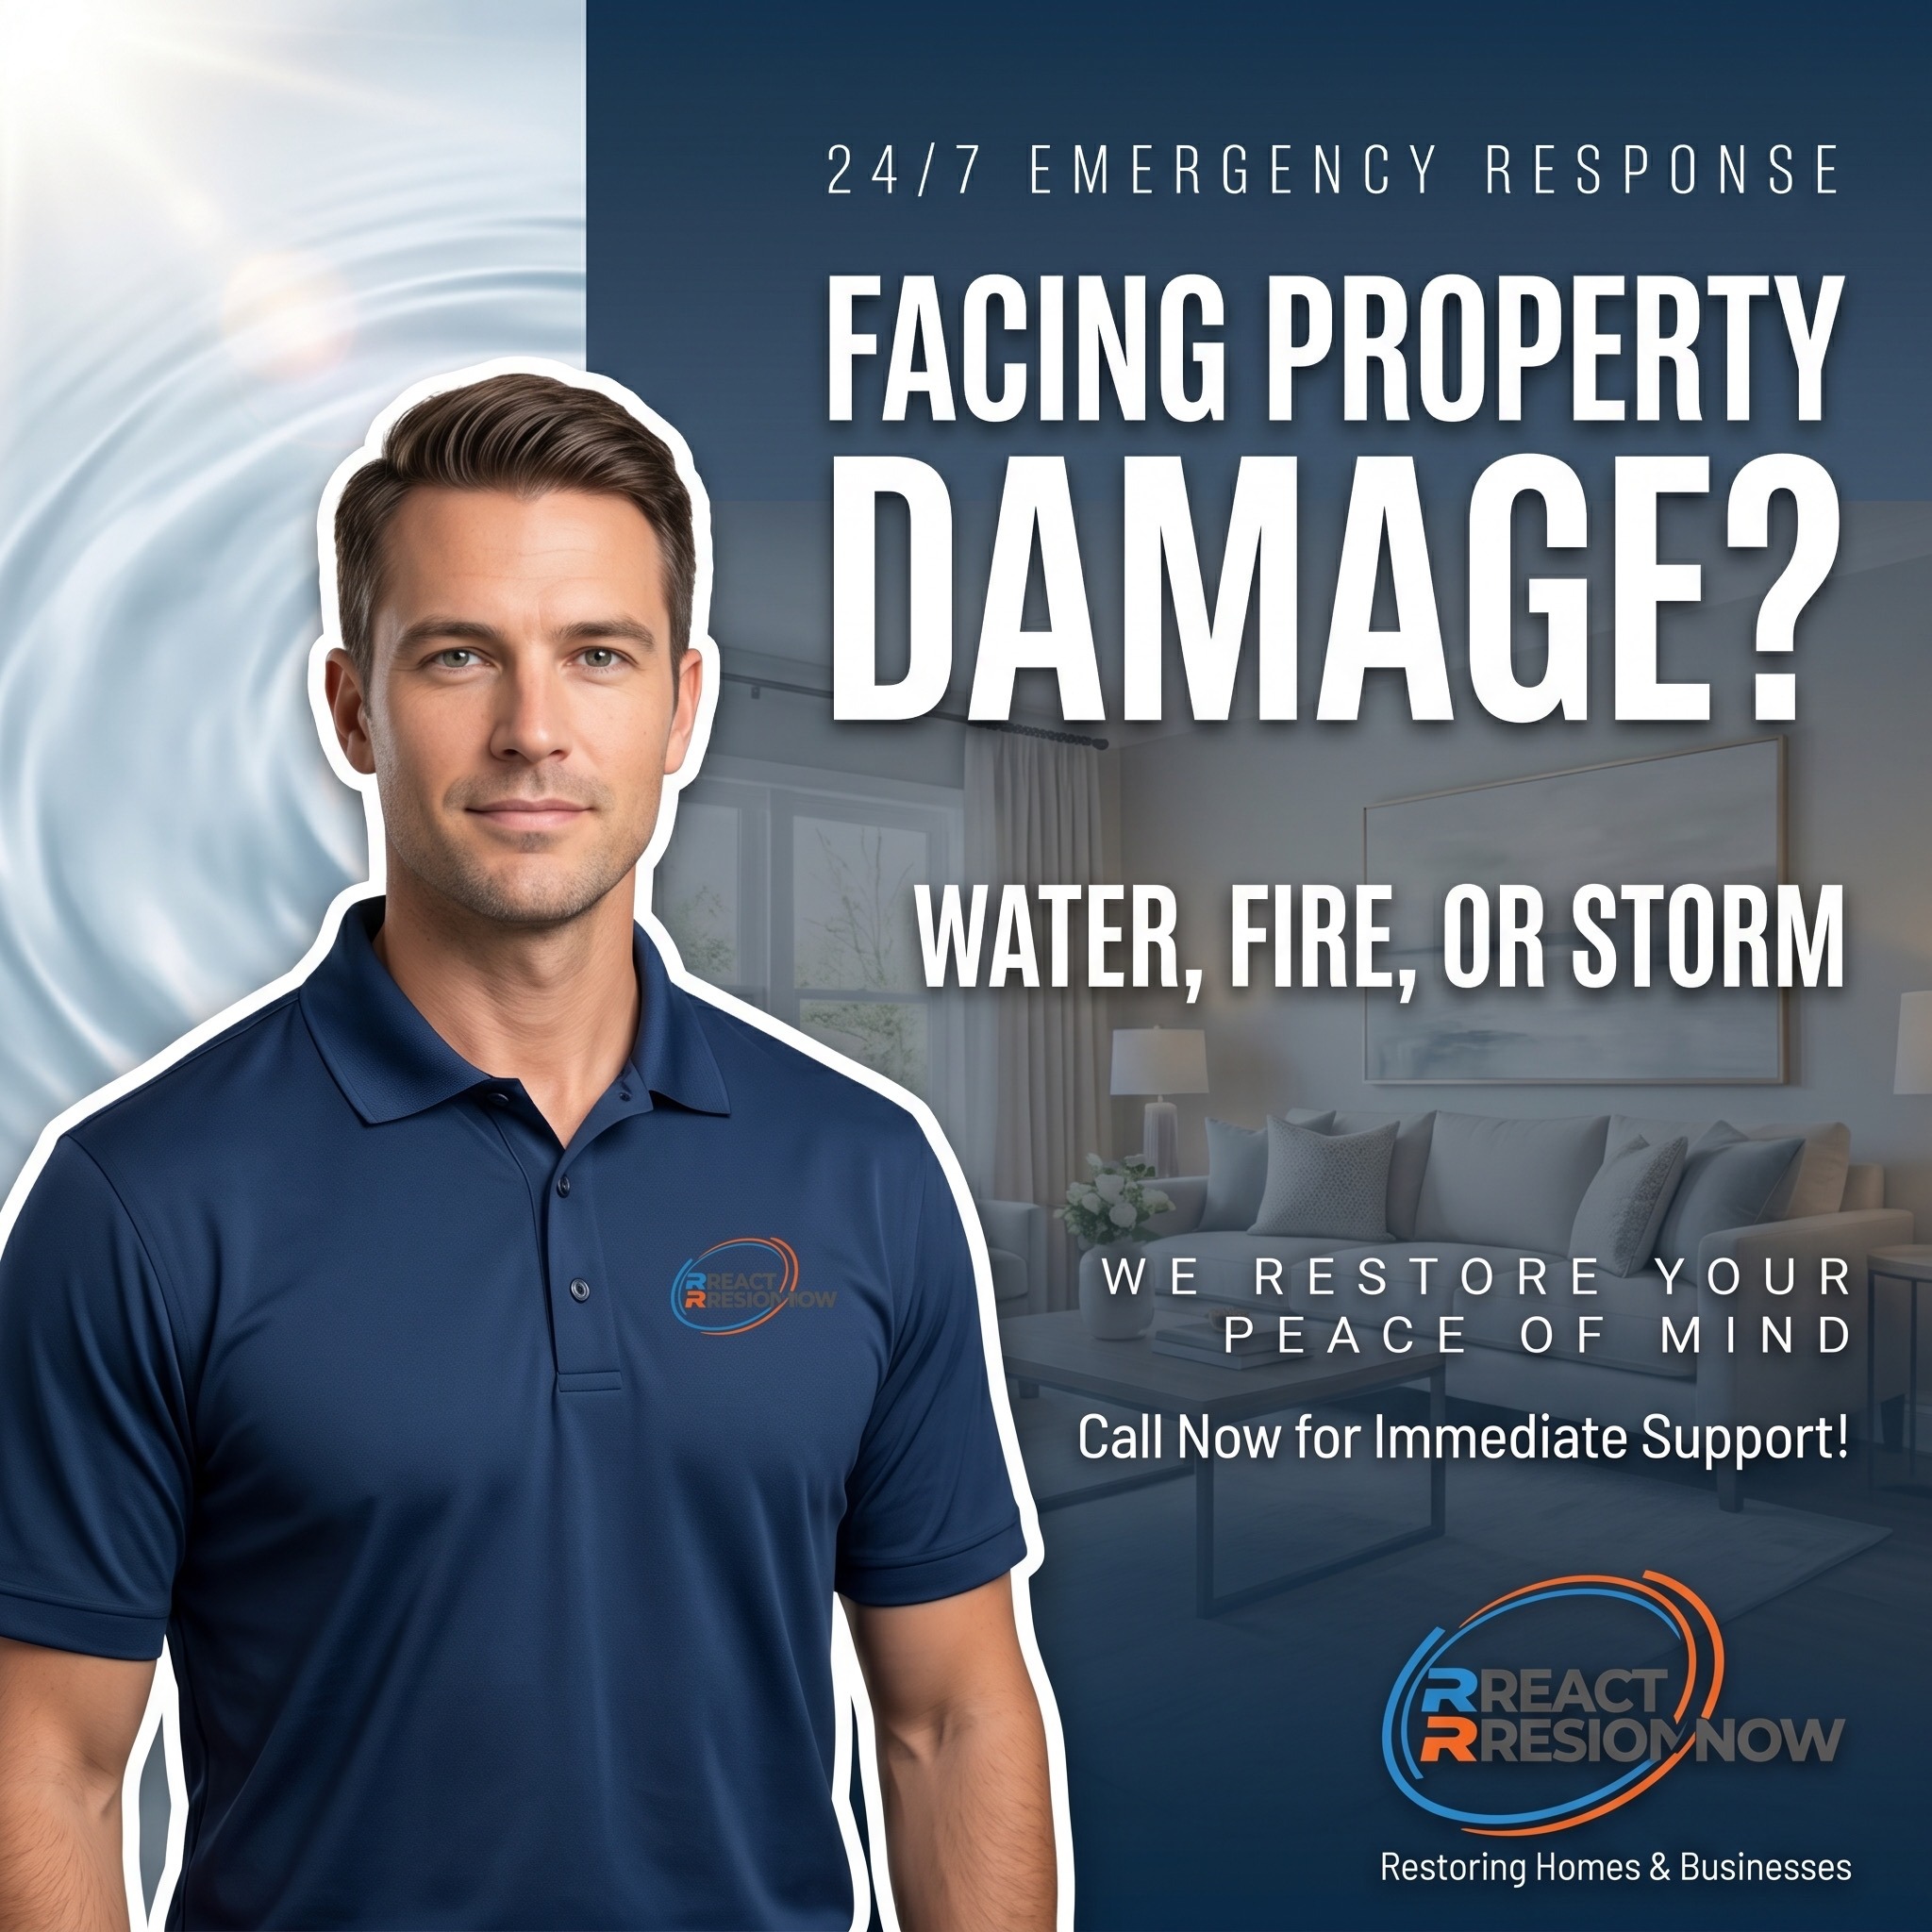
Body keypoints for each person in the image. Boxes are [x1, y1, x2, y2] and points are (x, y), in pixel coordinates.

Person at [0, 371, 1058, 1931]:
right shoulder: (136, 1200)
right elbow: (53, 1764)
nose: (533, 728)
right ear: (353, 706)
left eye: (598, 655)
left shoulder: (870, 1169)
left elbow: (953, 1712)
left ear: (683, 707)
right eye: (457, 656)